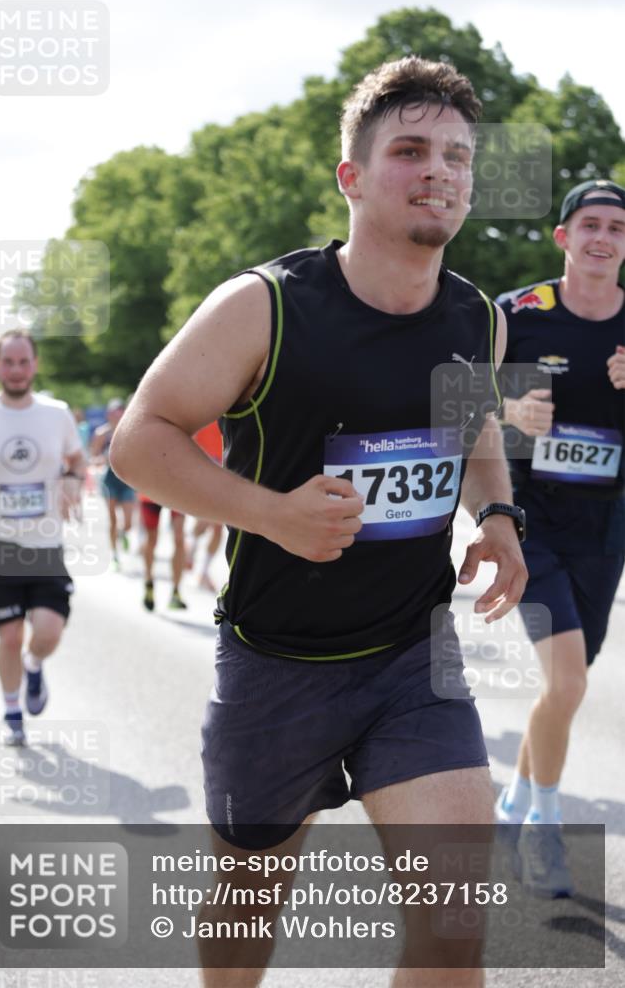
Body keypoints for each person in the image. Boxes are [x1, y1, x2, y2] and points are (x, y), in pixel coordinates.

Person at [111, 56, 528, 987]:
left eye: (458, 157)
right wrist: (274, 515)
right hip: (276, 663)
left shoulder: (475, 318)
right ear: (350, 176)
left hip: (412, 662)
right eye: (411, 150)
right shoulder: (264, 306)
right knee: (249, 906)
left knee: (455, 921)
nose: (441, 173)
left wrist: (494, 512)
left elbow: (475, 423)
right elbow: (139, 441)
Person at [495, 179, 625, 896]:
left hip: (604, 528)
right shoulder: (517, 313)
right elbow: (447, 397)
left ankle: (513, 799)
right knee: (567, 679)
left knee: (563, 690)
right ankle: (542, 829)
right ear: (564, 237)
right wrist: (511, 411)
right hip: (528, 521)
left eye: (616, 228)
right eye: (590, 225)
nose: (603, 238)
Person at [0, 329, 85, 745]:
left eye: (23, 362)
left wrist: (70, 479)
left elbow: (76, 459)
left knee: (48, 632)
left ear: (34, 365)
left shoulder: (56, 413)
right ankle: (12, 711)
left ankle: (34, 665)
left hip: (45, 541)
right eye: (7, 362)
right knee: (8, 634)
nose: (15, 370)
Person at [91, 398, 136, 570]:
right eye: (113, 414)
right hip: (109, 478)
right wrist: (102, 460)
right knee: (112, 519)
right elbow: (93, 456)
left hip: (126, 478)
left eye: (120, 413)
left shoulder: (130, 431)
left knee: (129, 522)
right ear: (108, 415)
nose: (116, 417)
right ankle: (114, 555)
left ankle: (122, 534)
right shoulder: (102, 433)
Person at [188, 420, 224, 591]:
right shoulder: (206, 410)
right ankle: (192, 547)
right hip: (206, 470)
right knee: (207, 520)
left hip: (227, 471)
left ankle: (202, 571)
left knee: (217, 526)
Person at [139, 494, 187, 611]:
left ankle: (176, 591)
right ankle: (148, 582)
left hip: (178, 490)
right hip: (152, 489)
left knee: (179, 538)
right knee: (152, 539)